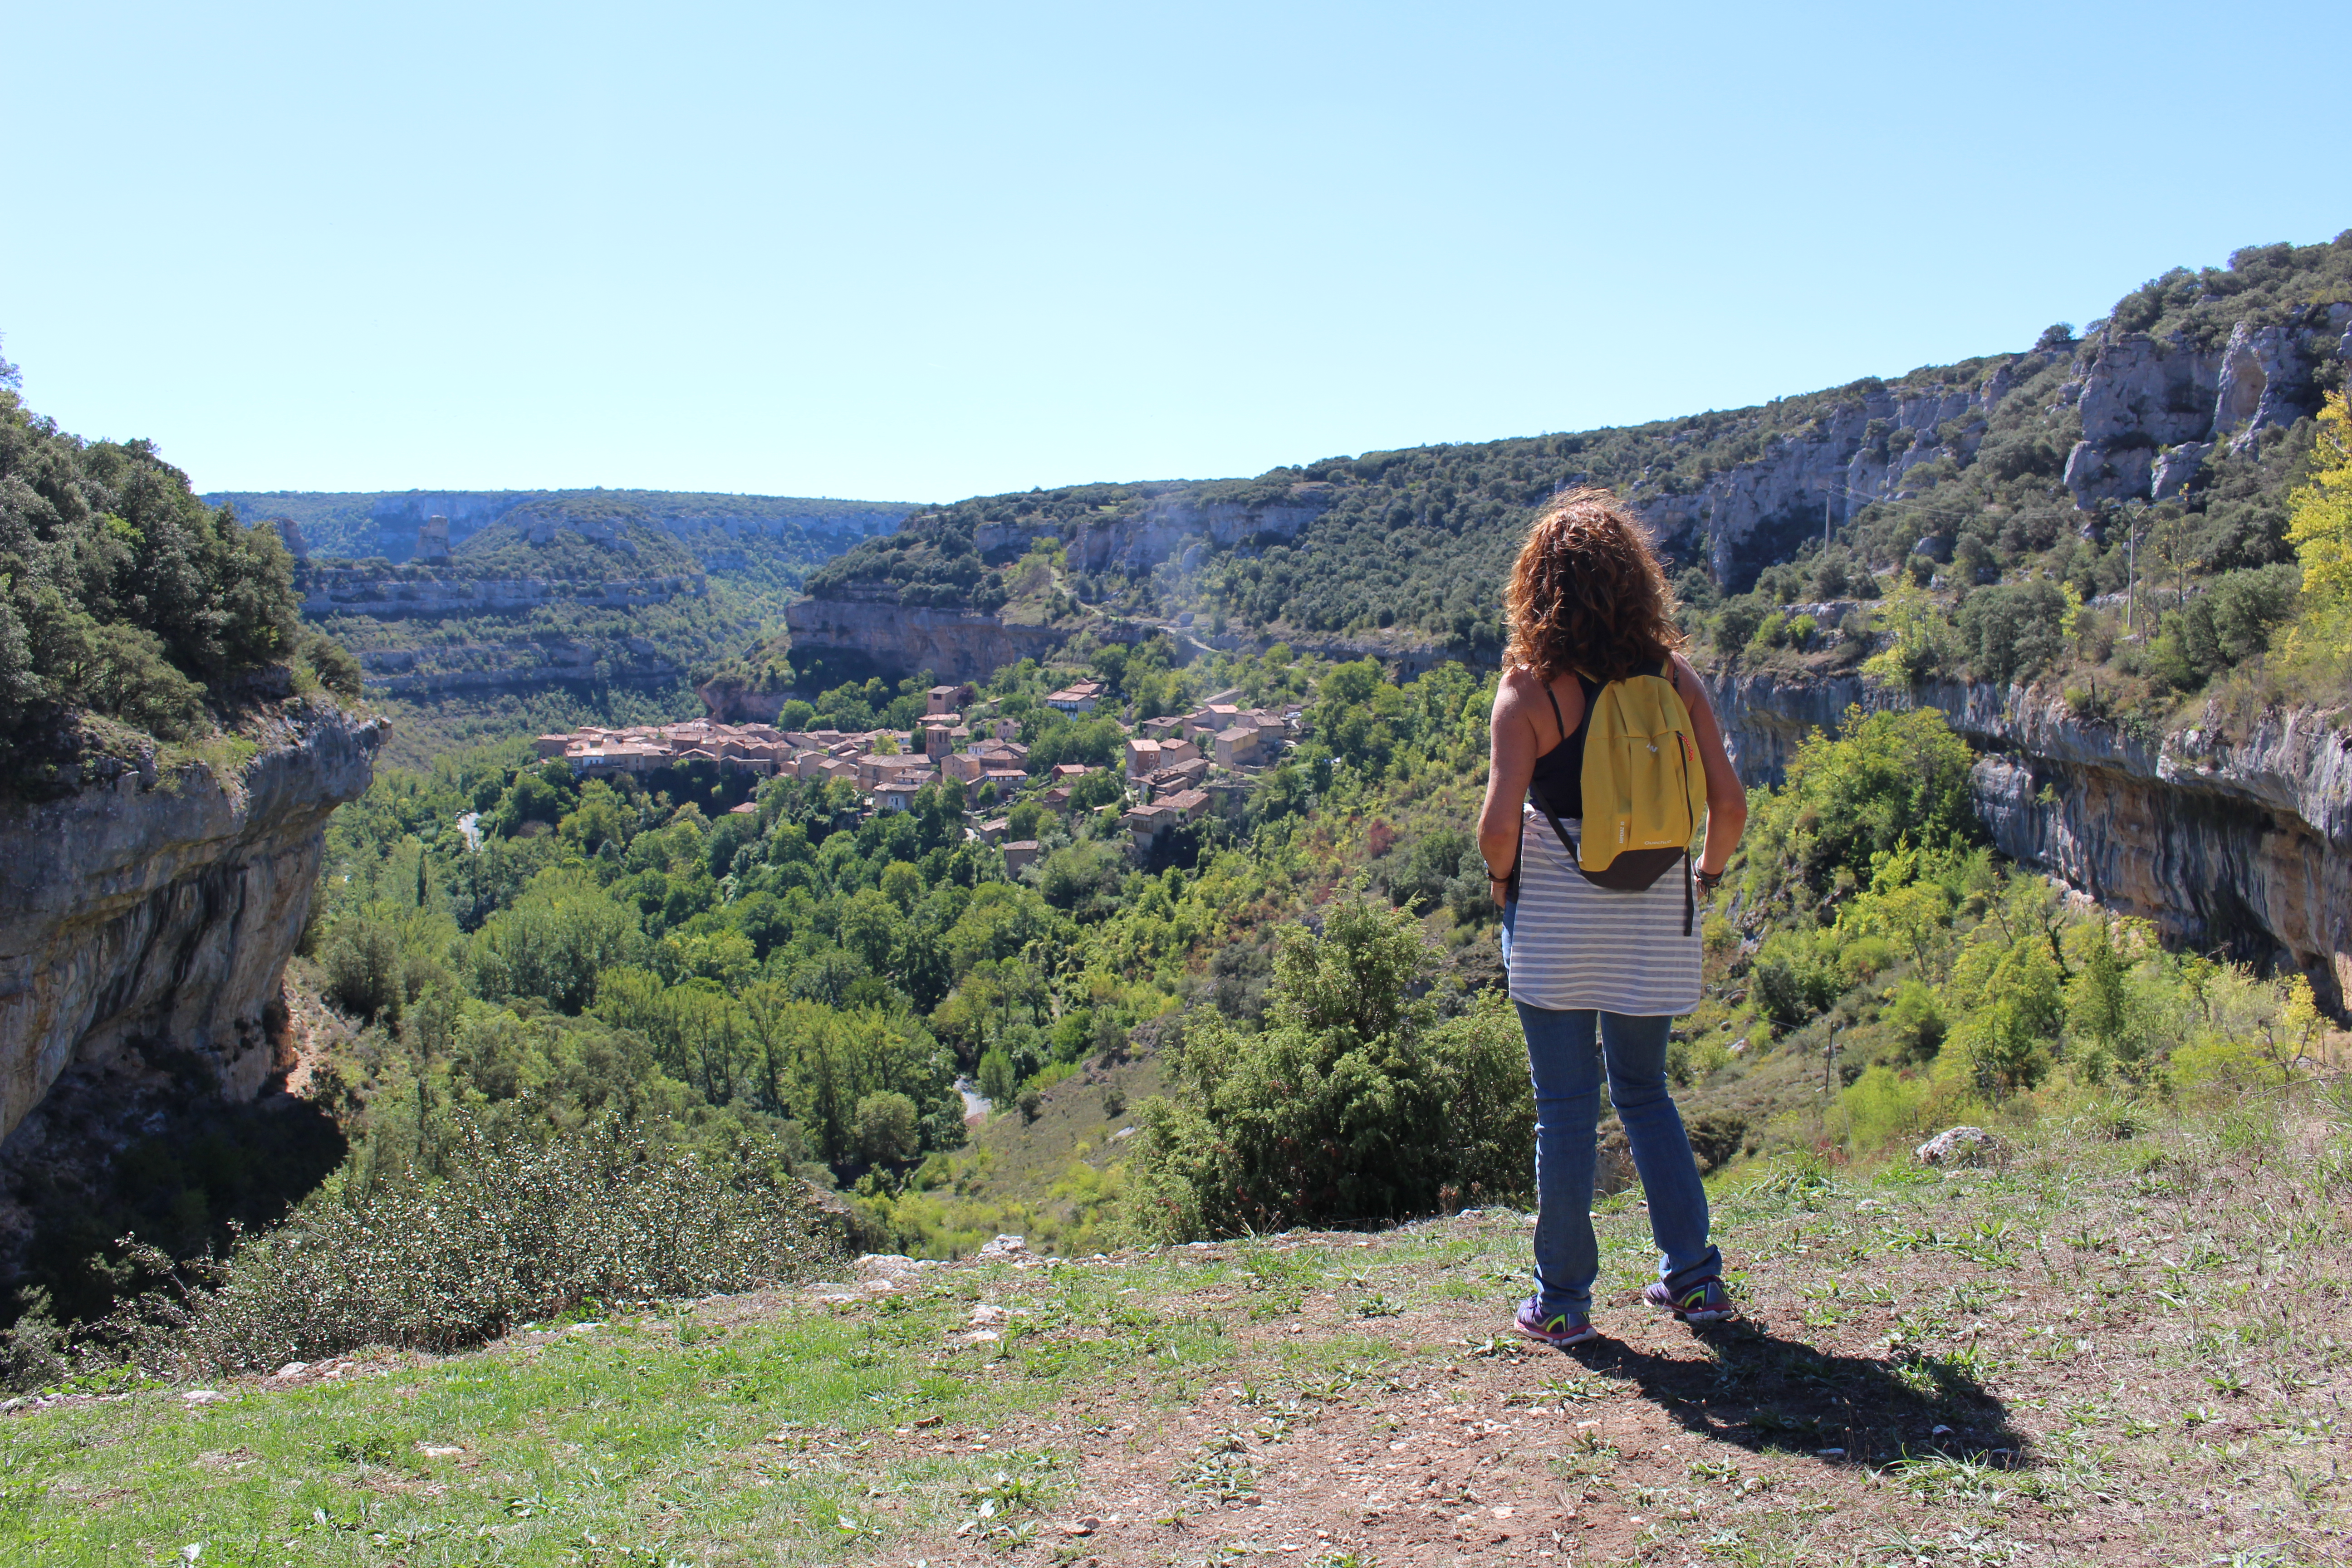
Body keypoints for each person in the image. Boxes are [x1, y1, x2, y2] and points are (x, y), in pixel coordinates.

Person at [1474, 488, 1748, 1347]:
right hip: (1652, 920)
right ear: (1636, 583)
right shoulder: (1674, 680)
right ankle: (1695, 1283)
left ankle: (1562, 1303)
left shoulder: (1528, 692)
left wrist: (1503, 879)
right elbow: (1729, 807)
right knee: (1645, 1093)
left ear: (1537, 586)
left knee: (1564, 1105)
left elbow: (1494, 829)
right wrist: (1702, 878)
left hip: (1556, 925)